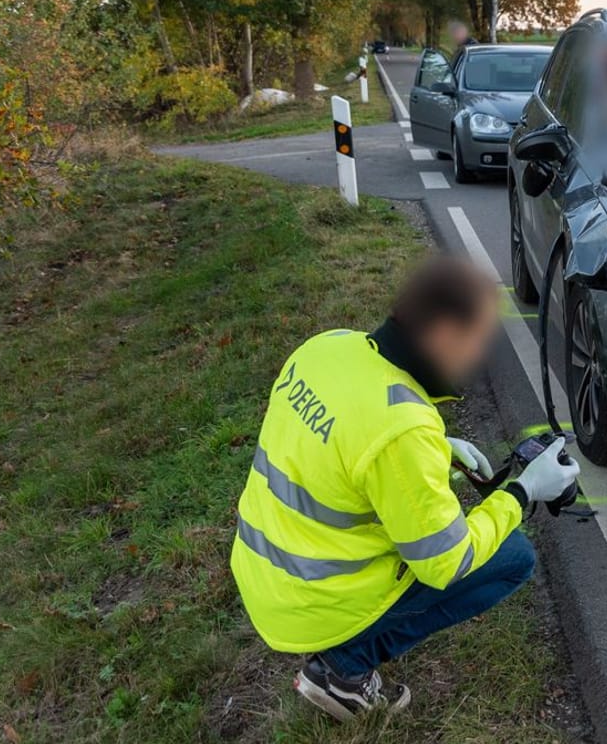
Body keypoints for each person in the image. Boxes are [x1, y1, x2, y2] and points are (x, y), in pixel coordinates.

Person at [229, 256, 580, 721]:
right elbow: (446, 563)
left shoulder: (328, 347)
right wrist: (521, 492)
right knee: (514, 558)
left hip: (262, 573)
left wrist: (437, 447)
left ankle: (342, 649)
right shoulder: (401, 428)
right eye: (477, 340)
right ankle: (342, 668)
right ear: (443, 336)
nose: (478, 356)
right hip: (311, 603)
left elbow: (344, 447)